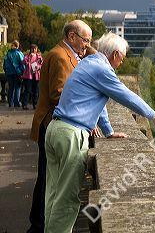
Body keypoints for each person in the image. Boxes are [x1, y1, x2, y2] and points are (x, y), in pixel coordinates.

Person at [44, 32, 155, 232]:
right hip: (71, 134)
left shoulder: (88, 63)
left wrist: (108, 131)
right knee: (67, 200)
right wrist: (153, 116)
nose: (122, 62)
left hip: (55, 129)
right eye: (123, 58)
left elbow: (98, 102)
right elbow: (126, 95)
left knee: (53, 194)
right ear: (116, 54)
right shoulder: (103, 69)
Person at [27, 20, 95, 233]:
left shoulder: (69, 55)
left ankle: (40, 224)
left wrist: (88, 48)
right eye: (85, 40)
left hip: (53, 124)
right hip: (51, 124)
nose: (86, 45)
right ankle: (38, 225)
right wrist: (83, 112)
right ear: (71, 36)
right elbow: (60, 94)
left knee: (49, 178)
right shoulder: (60, 56)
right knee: (49, 179)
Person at [3, 40, 24, 108]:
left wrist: (6, 71)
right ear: (17, 46)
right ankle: (16, 103)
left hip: (9, 73)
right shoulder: (19, 53)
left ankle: (10, 103)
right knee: (17, 88)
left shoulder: (8, 53)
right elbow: (22, 63)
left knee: (11, 88)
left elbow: (4, 64)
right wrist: (22, 72)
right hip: (17, 73)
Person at [22, 44, 43, 110]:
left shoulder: (39, 56)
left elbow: (42, 64)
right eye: (32, 49)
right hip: (28, 76)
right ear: (30, 49)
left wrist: (38, 67)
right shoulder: (27, 56)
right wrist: (30, 61)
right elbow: (24, 62)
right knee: (27, 90)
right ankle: (25, 105)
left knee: (36, 91)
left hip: (36, 76)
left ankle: (35, 104)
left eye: (35, 49)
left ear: (37, 49)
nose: (34, 50)